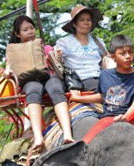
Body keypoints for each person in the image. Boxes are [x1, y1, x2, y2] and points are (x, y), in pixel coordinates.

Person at [70, 35, 134, 143]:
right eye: (122, 53)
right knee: (85, 144)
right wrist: (78, 98)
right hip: (110, 119)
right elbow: (101, 96)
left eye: (130, 52)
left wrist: (125, 118)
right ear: (112, 56)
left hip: (133, 115)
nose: (128, 56)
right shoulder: (105, 75)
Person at [6, 15, 74, 151]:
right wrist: (8, 71)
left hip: (48, 76)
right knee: (33, 90)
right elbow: (9, 67)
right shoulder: (14, 51)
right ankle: (38, 137)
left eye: (32, 28)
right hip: (29, 80)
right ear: (17, 34)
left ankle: (67, 133)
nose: (30, 31)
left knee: (55, 87)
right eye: (25, 30)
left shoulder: (45, 47)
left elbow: (56, 63)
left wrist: (56, 56)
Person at [45, 4, 106, 141]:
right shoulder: (65, 42)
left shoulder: (98, 41)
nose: (86, 23)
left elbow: (107, 59)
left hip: (100, 77)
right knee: (108, 92)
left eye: (88, 20)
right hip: (79, 80)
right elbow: (56, 60)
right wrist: (58, 55)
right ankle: (80, 99)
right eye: (82, 20)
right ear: (74, 24)